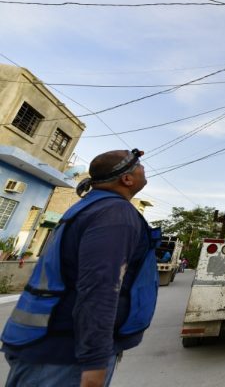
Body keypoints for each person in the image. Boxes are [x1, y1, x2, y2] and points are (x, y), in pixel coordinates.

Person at [2, 149, 159, 387]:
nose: (143, 169)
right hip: (65, 355)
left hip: (49, 346)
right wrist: (94, 361)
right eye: (139, 166)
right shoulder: (114, 213)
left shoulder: (91, 206)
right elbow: (100, 288)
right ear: (127, 179)